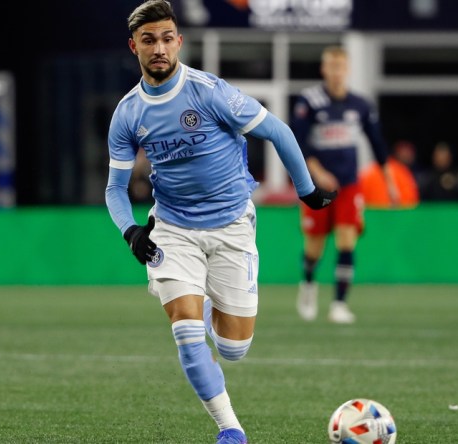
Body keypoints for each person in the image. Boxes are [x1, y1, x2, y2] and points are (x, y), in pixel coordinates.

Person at [104, 2, 336, 443]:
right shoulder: (128, 113)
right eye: (149, 40)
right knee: (187, 333)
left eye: (167, 38)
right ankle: (230, 429)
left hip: (232, 226)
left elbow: (278, 132)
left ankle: (209, 305)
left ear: (179, 42)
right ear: (134, 46)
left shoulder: (210, 92)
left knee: (233, 349)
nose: (159, 48)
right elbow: (115, 189)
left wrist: (306, 190)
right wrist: (130, 230)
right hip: (171, 229)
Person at [290, 46, 398, 324]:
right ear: (324, 70)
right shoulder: (309, 102)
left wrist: (389, 182)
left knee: (347, 241)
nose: (337, 72)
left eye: (341, 67)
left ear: (347, 69)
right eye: (332, 67)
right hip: (317, 187)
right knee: (315, 248)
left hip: (349, 185)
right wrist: (317, 172)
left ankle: (339, 304)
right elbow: (296, 144)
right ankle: (309, 284)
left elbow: (377, 144)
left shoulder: (360, 105)